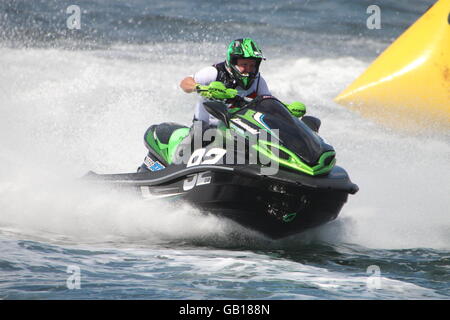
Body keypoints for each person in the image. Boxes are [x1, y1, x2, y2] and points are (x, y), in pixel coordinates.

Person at [180, 38, 307, 127]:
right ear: (233, 62)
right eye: (244, 64)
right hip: (204, 126)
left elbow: (268, 103)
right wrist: (201, 88)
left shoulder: (258, 81)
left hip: (234, 127)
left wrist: (286, 111)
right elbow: (185, 83)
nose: (249, 69)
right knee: (197, 139)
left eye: (252, 65)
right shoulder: (214, 72)